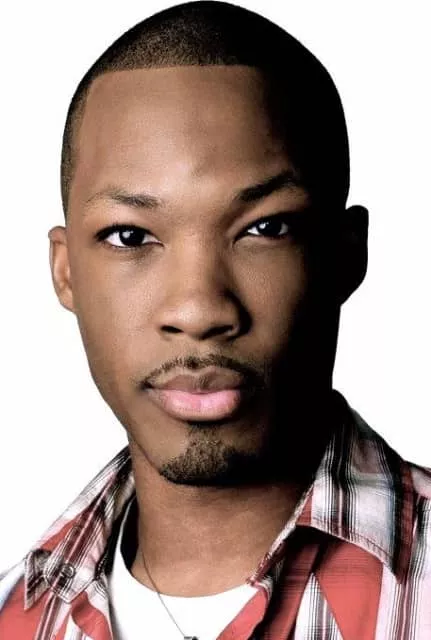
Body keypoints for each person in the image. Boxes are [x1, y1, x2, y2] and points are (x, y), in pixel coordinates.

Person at [0, 1, 430, 638]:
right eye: (130, 236)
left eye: (266, 228)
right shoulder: (15, 617)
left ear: (346, 257)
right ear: (65, 272)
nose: (199, 311)